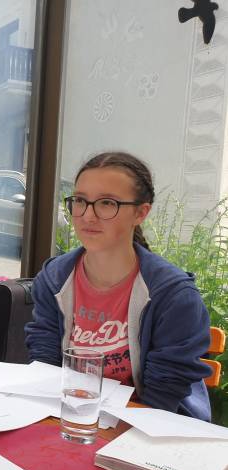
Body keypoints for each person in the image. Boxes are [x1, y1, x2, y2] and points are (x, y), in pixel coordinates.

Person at [25, 151, 212, 421]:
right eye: (80, 201)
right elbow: (46, 365)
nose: (88, 216)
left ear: (141, 212)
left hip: (147, 426)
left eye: (106, 203)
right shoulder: (53, 279)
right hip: (74, 417)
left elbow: (162, 398)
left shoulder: (174, 295)